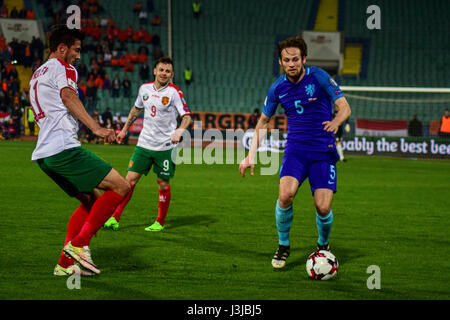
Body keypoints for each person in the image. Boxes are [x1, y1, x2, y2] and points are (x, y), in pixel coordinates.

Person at [239, 36, 351, 269]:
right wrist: (251, 155)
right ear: (280, 61)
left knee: (323, 207)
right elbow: (262, 123)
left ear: (304, 59)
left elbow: (344, 106)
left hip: (322, 151)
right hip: (296, 152)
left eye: (295, 59)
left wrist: (337, 121)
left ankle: (323, 246)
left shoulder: (318, 76)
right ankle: (283, 246)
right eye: (287, 60)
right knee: (285, 195)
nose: (291, 63)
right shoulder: (277, 88)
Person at [28, 25, 130, 276]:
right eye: (76, 50)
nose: (78, 56)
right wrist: (96, 128)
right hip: (63, 149)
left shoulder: (37, 74)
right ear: (62, 49)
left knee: (91, 201)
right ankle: (78, 245)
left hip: (45, 154)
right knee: (121, 187)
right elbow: (68, 97)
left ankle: (65, 265)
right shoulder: (64, 68)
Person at [104, 56, 192, 232]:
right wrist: (124, 130)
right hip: (143, 145)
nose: (164, 73)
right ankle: (115, 218)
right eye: (161, 70)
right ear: (155, 71)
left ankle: (159, 221)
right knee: (128, 181)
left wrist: (180, 130)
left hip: (165, 147)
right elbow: (136, 109)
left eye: (167, 71)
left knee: (162, 183)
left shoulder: (174, 93)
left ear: (172, 74)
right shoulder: (144, 89)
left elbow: (187, 117)